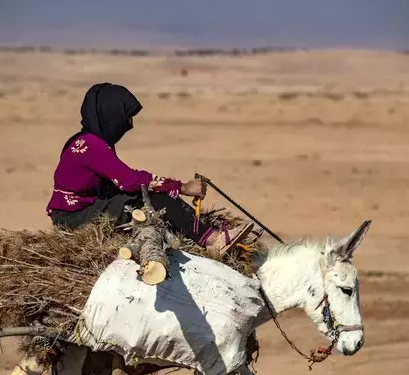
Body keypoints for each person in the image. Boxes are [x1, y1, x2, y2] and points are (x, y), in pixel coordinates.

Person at [46, 82, 254, 256]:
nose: (130, 124)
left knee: (149, 197)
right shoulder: (92, 145)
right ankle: (212, 240)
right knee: (157, 200)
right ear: (111, 115)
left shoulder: (88, 141)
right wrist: (181, 187)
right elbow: (129, 181)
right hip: (75, 217)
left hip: (82, 209)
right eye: (126, 117)